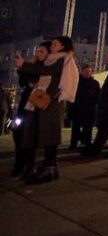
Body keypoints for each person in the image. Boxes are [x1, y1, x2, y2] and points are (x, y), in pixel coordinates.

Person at [15, 36, 79, 183]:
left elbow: (46, 70)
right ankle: (50, 167)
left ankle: (49, 168)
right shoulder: (53, 59)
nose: (52, 45)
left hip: (52, 101)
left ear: (63, 46)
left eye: (55, 43)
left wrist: (24, 64)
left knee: (50, 135)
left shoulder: (62, 59)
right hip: (45, 100)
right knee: (46, 134)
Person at [11, 40, 50, 178]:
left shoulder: (47, 67)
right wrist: (26, 66)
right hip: (25, 103)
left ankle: (29, 165)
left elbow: (37, 81)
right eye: (37, 50)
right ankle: (20, 164)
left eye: (42, 51)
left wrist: (27, 69)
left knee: (29, 137)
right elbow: (23, 82)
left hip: (37, 106)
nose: (38, 53)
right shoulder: (33, 65)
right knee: (18, 133)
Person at [70, 64, 100, 150]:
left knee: (88, 127)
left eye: (89, 71)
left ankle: (87, 143)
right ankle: (73, 144)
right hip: (78, 108)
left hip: (89, 109)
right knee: (76, 127)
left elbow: (97, 96)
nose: (87, 73)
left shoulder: (95, 83)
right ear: (82, 71)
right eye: (86, 71)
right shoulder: (76, 82)